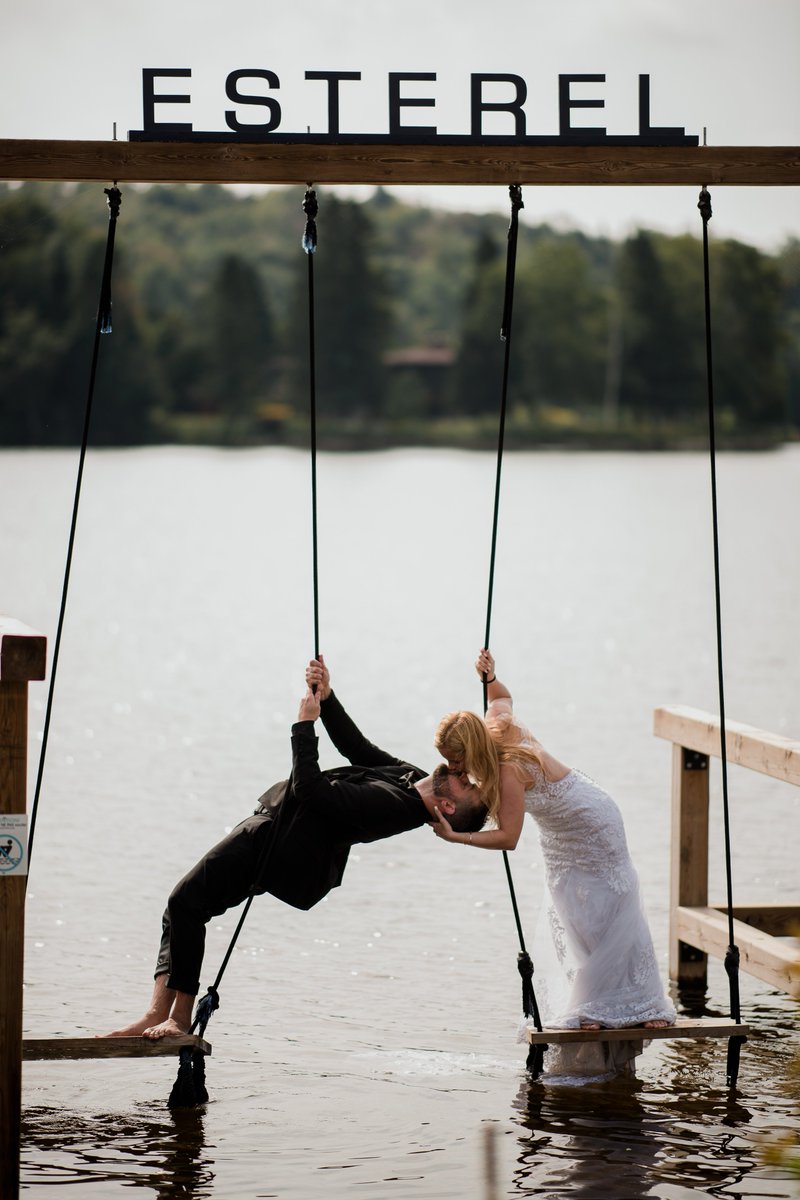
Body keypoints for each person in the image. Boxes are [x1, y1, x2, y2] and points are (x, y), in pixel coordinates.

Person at [104, 656, 493, 1040]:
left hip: (272, 847)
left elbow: (311, 791)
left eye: (467, 787)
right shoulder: (413, 778)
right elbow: (357, 747)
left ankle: (178, 1018)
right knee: (183, 907)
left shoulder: (393, 808)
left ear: (447, 806)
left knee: (186, 902)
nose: (464, 774)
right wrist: (328, 698)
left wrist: (304, 725)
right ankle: (158, 1013)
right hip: (270, 827)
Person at [432, 649, 676, 1079]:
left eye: (456, 760)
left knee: (608, 906)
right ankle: (601, 1004)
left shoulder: (507, 769)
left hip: (590, 818)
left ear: (470, 748)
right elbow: (502, 696)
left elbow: (509, 837)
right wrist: (491, 677)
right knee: (572, 910)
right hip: (561, 834)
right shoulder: (497, 723)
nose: (453, 768)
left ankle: (641, 1004)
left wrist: (458, 837)